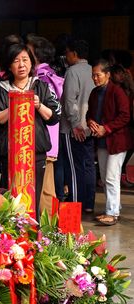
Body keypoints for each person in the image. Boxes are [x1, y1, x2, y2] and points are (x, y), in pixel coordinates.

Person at [0, 43, 60, 218]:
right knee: (10, 199)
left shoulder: (40, 86)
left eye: (25, 60)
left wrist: (38, 105)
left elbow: (54, 117)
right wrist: (14, 105)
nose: (21, 65)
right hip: (9, 154)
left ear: (32, 63)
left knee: (34, 199)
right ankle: (11, 240)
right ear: (9, 66)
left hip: (35, 153)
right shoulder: (1, 89)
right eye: (16, 61)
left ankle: (33, 238)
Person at [87, 59, 132, 225]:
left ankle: (112, 213)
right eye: (93, 76)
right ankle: (113, 208)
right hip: (102, 141)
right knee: (106, 177)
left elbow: (125, 116)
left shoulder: (117, 92)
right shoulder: (94, 92)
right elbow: (89, 114)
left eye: (98, 75)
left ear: (107, 75)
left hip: (116, 141)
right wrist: (90, 121)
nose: (95, 78)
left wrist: (106, 128)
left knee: (111, 177)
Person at [26, 34, 63, 215]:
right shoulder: (53, 74)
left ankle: (48, 232)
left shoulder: (40, 79)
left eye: (27, 54)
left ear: (35, 56)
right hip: (50, 140)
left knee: (45, 190)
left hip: (41, 141)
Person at [57, 38, 96, 212]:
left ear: (73, 53)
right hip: (89, 127)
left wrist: (73, 124)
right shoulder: (93, 70)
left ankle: (74, 205)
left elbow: (69, 101)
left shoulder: (72, 71)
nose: (66, 56)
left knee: (73, 167)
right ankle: (88, 203)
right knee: (88, 165)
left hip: (73, 129)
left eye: (67, 52)